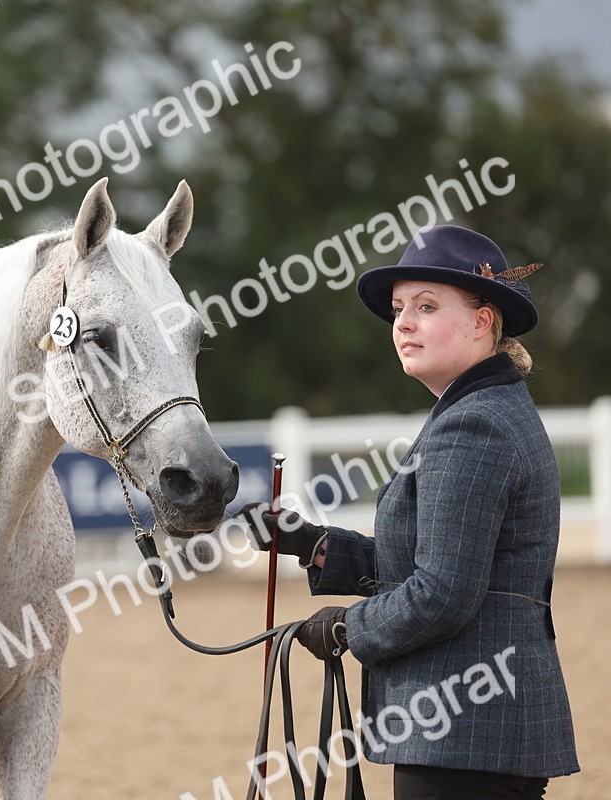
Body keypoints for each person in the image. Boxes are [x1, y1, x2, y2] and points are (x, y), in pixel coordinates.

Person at [234, 225, 580, 799]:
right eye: (399, 310)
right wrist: (315, 544)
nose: (403, 323)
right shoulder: (480, 411)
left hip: (467, 730)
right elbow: (438, 562)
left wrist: (348, 628)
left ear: (482, 321)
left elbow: (442, 591)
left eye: (426, 306)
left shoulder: (475, 426)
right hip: (476, 729)